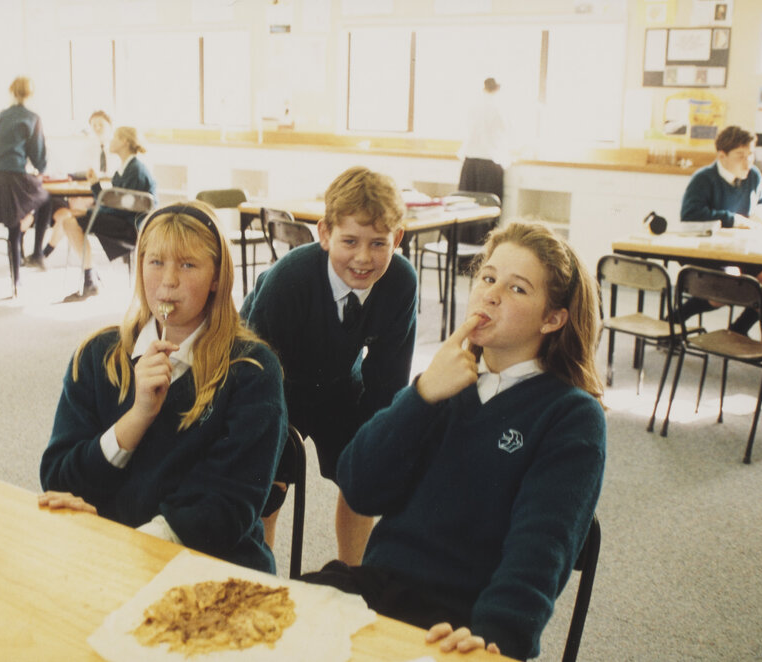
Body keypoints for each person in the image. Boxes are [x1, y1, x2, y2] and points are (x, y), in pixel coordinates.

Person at [300, 221, 605, 662]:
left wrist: (495, 638)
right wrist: (421, 395)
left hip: (463, 620)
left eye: (517, 289)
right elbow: (359, 486)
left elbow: (541, 550)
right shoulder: (444, 382)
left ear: (553, 319)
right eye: (487, 277)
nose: (491, 295)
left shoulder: (571, 416)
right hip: (377, 592)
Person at [39, 201, 287, 573]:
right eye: (155, 262)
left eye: (187, 265)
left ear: (217, 277)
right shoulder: (97, 356)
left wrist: (128, 546)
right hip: (107, 560)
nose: (168, 280)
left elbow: (227, 506)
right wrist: (137, 417)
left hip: (211, 567)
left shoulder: (252, 370)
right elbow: (58, 479)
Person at [240, 166, 417, 565]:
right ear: (324, 233)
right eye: (349, 241)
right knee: (269, 481)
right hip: (272, 380)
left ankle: (351, 574)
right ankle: (260, 569)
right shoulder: (290, 278)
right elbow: (253, 374)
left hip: (339, 380)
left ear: (398, 239)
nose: (363, 257)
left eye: (378, 244)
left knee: (364, 474)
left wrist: (374, 447)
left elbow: (388, 380)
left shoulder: (401, 282)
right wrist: (273, 444)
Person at [676, 125, 762, 334]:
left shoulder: (754, 176)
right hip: (711, 255)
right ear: (722, 156)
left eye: (750, 154)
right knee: (730, 286)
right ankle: (676, 318)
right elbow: (690, 214)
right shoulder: (704, 178)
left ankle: (739, 329)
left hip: (744, 253)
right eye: (740, 155)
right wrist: (734, 220)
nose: (748, 160)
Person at [55, 125, 158, 301]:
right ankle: (90, 278)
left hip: (131, 227)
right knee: (70, 222)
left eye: (115, 138)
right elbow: (111, 201)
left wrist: (89, 211)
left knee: (71, 222)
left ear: (125, 141)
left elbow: (121, 207)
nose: (111, 141)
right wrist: (95, 185)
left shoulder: (135, 170)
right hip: (123, 220)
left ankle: (90, 279)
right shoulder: (127, 168)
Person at [0, 75, 52, 284]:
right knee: (45, 198)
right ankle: (37, 253)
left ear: (11, 92)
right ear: (32, 95)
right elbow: (38, 155)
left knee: (14, 218)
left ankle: (16, 276)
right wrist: (41, 169)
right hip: (12, 173)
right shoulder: (31, 117)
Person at [43, 110, 115, 258]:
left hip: (109, 198)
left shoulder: (117, 149)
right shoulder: (87, 149)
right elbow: (80, 175)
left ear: (110, 126)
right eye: (94, 125)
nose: (97, 128)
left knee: (71, 213)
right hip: (89, 193)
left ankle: (47, 251)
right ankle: (47, 251)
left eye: (101, 124)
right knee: (68, 212)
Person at [457, 77, 509, 243]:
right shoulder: (499, 107)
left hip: (470, 162)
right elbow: (506, 133)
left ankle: (463, 257)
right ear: (497, 89)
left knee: (465, 210)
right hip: (490, 162)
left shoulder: (473, 106)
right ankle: (483, 253)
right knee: (488, 213)